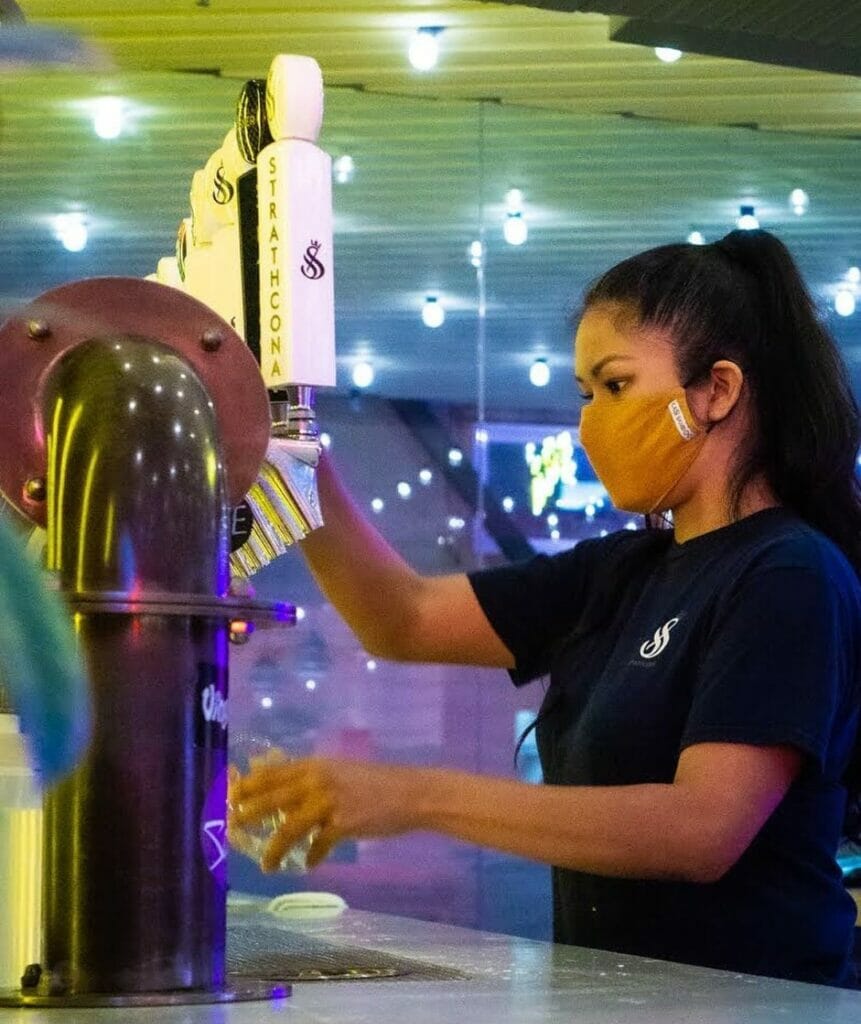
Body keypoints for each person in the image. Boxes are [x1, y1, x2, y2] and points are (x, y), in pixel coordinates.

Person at [231, 229, 861, 987]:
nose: (589, 422)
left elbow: (701, 829)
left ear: (716, 391)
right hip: (627, 1003)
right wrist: (289, 445)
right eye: (584, 394)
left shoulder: (788, 574)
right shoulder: (621, 571)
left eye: (616, 386)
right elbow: (399, 616)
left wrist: (415, 795)